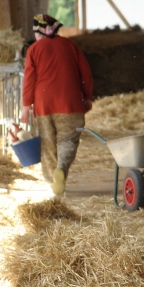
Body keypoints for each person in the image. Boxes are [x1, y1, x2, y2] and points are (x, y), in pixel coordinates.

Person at [22, 14, 94, 196]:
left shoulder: (34, 49)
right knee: (68, 140)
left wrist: (25, 107)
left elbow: (29, 80)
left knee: (47, 143)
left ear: (40, 31)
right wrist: (87, 97)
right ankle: (61, 168)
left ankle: (52, 183)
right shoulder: (70, 45)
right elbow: (86, 73)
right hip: (70, 102)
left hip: (43, 104)